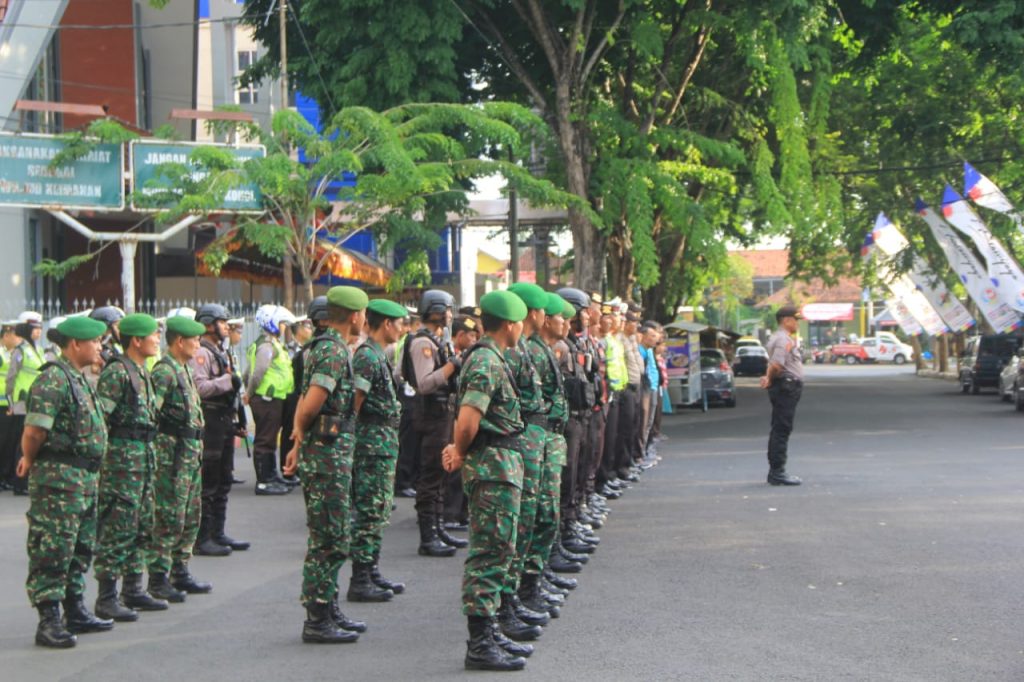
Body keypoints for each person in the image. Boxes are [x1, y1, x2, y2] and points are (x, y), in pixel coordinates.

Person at [441, 289, 530, 672]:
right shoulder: (485, 361)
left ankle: (489, 631)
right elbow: (468, 418)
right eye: (521, 322)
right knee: (489, 553)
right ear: (510, 324)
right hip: (491, 467)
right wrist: (459, 451)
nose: (523, 328)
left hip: (501, 465)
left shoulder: (493, 358)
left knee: (499, 550)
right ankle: (479, 643)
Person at [18, 316, 112, 648]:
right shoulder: (54, 380)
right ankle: (49, 620)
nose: (100, 347)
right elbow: (34, 431)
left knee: (80, 546)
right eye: (96, 342)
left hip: (83, 479)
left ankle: (75, 609)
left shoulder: (79, 379)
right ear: (76, 344)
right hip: (59, 481)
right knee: (54, 548)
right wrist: (29, 459)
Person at [283, 285, 368, 644]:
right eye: (363, 313)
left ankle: (328, 607)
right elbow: (312, 401)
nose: (364, 319)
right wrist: (300, 433)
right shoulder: (333, 351)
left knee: (332, 533)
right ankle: (317, 618)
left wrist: (298, 438)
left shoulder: (323, 346)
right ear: (354, 316)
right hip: (327, 456)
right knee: (329, 536)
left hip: (328, 452)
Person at [92, 313, 169, 621]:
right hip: (122, 466)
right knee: (117, 528)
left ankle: (133, 588)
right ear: (136, 340)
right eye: (152, 335)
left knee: (141, 525)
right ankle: (106, 597)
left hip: (143, 461)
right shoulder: (118, 373)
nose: (157, 340)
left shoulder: (141, 371)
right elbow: (101, 421)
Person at [148, 315, 214, 601]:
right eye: (195, 339)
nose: (198, 344)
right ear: (178, 341)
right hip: (172, 457)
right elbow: (152, 414)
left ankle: (180, 570)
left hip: (189, 455)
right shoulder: (164, 371)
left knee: (189, 514)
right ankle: (158, 576)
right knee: (168, 516)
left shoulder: (183, 369)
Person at [347, 298, 407, 603]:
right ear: (387, 324)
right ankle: (360, 578)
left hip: (382, 444)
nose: (402, 328)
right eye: (400, 323)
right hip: (371, 446)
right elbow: (354, 403)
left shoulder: (378, 355)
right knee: (370, 511)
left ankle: (371, 570)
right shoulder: (368, 357)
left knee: (380, 509)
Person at [400, 290, 464, 557]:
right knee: (430, 476)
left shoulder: (437, 340)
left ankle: (438, 528)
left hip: (441, 414)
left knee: (439, 474)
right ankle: (428, 536)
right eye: (448, 310)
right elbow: (425, 383)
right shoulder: (422, 343)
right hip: (430, 415)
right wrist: (453, 366)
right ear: (437, 311)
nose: (451, 315)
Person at [191, 304, 247, 556]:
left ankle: (218, 532)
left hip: (224, 420)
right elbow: (200, 387)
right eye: (222, 322)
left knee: (224, 480)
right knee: (209, 482)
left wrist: (238, 421)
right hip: (210, 420)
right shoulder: (201, 353)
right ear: (207, 324)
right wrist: (228, 381)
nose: (226, 326)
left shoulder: (220, 351)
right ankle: (203, 538)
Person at [245, 304, 296, 496]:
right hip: (267, 399)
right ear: (272, 323)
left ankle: (272, 476)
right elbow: (257, 372)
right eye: (281, 323)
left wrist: (249, 392)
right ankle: (264, 481)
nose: (284, 327)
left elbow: (247, 373)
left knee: (270, 439)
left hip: (273, 399)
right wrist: (250, 394)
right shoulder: (266, 346)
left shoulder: (269, 344)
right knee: (265, 440)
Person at [442, 315, 480, 531]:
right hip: (452, 414)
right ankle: (450, 514)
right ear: (459, 336)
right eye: (471, 335)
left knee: (465, 467)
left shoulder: (468, 357)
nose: (474, 339)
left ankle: (461, 513)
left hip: (460, 411)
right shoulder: (451, 356)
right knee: (454, 467)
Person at [761, 305, 805, 486]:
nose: (797, 323)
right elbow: (777, 364)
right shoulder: (782, 339)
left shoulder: (782, 338)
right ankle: (777, 471)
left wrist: (768, 377)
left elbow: (774, 364)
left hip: (785, 386)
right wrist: (769, 378)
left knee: (781, 428)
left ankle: (777, 471)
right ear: (786, 320)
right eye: (795, 320)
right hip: (785, 387)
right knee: (782, 428)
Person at [7, 311, 45, 495]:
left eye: (39, 329)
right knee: (21, 443)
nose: (38, 332)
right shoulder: (20, 350)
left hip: (34, 402)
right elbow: (11, 378)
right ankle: (19, 482)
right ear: (26, 329)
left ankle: (25, 481)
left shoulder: (37, 350)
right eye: (34, 329)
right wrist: (10, 403)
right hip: (22, 403)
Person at [0, 320, 20, 491]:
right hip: (1, 404)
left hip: (8, 403)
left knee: (9, 442)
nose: (18, 339)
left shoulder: (10, 353)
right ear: (6, 335)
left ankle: (5, 476)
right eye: (16, 335)